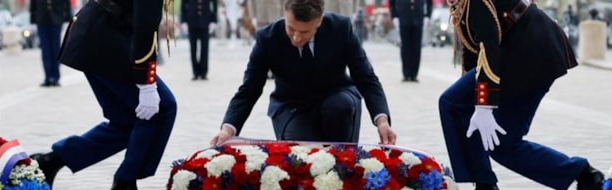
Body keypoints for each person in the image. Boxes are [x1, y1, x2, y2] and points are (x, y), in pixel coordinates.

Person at [438, 0, 604, 190]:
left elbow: (488, 47)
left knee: (454, 104)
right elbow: (474, 52)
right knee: (502, 143)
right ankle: (584, 174)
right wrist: (476, 100)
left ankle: (486, 189)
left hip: (532, 56)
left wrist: (484, 105)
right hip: (519, 55)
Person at [30, 0, 178, 190]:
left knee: (126, 122)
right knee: (162, 109)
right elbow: (146, 23)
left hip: (97, 34)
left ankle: (50, 162)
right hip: (105, 40)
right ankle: (124, 189)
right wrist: (147, 82)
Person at [210, 0, 397, 146]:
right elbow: (249, 89)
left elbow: (366, 78)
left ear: (320, 20)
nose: (296, 37)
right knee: (302, 155)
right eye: (291, 28)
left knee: (339, 108)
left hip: (336, 99)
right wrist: (228, 129)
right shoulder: (267, 38)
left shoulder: (341, 29)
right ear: (285, 13)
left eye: (305, 32)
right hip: (291, 106)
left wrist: (382, 121)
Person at [30, 0, 71, 87]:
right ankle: (47, 77)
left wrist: (67, 17)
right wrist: (33, 20)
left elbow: (66, 3)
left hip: (56, 19)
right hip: (41, 20)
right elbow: (33, 4)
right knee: (45, 51)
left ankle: (56, 77)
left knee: (56, 50)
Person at [389, 0, 432, 82]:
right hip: (404, 18)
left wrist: (428, 16)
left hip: (418, 18)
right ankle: (406, 73)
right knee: (405, 48)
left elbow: (429, 3)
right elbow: (392, 3)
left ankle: (414, 74)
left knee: (416, 48)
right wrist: (394, 16)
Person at [181, 0, 218, 80]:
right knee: (193, 49)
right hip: (191, 21)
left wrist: (214, 20)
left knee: (205, 49)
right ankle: (195, 72)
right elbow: (183, 4)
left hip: (206, 22)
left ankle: (203, 72)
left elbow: (214, 4)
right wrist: (183, 21)